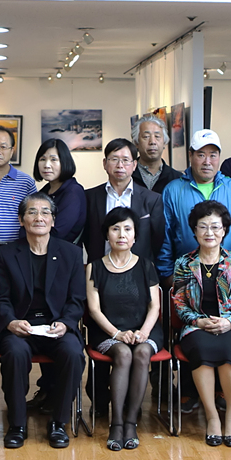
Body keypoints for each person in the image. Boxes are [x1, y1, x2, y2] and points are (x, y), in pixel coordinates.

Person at [80, 138, 164, 417]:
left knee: (134, 350)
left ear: (135, 165)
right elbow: (84, 236)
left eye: (126, 160)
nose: (120, 165)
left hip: (137, 283)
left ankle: (130, 408)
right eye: (114, 159)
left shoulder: (151, 199)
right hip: (101, 279)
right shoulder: (89, 197)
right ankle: (100, 402)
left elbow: (158, 240)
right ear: (105, 163)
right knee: (107, 348)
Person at [0, 192, 86, 449]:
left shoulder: (71, 253)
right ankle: (17, 424)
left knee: (73, 352)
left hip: (56, 325)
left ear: (53, 220)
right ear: (21, 220)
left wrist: (66, 323)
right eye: (32, 212)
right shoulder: (6, 253)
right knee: (14, 353)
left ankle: (59, 422)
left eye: (45, 212)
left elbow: (77, 299)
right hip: (20, 325)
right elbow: (0, 298)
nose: (39, 217)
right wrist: (11, 322)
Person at [171, 201, 231, 447]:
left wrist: (230, 322)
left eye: (215, 227)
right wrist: (197, 320)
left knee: (230, 348)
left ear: (224, 230)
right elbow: (179, 302)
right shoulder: (184, 263)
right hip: (196, 326)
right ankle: (211, 417)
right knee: (202, 348)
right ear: (194, 230)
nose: (209, 232)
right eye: (203, 226)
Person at [85, 206, 165, 451]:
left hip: (144, 328)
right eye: (115, 229)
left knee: (141, 352)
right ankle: (116, 423)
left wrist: (144, 332)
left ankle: (131, 423)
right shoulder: (94, 267)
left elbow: (154, 306)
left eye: (127, 229)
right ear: (106, 234)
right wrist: (117, 334)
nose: (121, 234)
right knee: (122, 353)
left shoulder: (146, 266)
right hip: (108, 330)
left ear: (135, 235)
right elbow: (94, 310)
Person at [159, 129, 231, 285]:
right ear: (190, 155)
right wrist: (167, 275)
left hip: (230, 276)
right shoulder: (173, 190)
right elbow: (164, 235)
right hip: (186, 277)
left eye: (213, 155)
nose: (207, 162)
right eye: (201, 155)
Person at [33, 138, 86, 244]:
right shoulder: (43, 192)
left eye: (53, 159)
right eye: (42, 159)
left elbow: (58, 233)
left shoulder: (73, 192)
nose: (47, 165)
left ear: (64, 162)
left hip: (62, 252)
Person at [131, 115, 182, 194]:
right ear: (136, 143)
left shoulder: (177, 179)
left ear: (164, 143)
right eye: (146, 136)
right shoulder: (127, 175)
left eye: (157, 136)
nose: (152, 142)